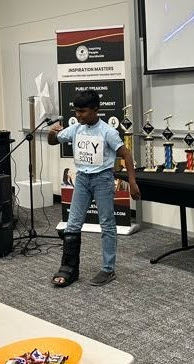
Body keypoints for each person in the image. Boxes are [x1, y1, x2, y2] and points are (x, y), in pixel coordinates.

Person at [48, 90, 140, 287]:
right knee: (72, 225)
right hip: (82, 179)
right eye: (76, 111)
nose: (78, 115)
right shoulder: (76, 129)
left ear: (95, 110)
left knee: (107, 224)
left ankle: (108, 269)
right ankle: (69, 268)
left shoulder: (108, 132)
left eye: (83, 111)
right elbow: (53, 140)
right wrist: (51, 132)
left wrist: (132, 183)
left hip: (102, 179)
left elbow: (127, 155)